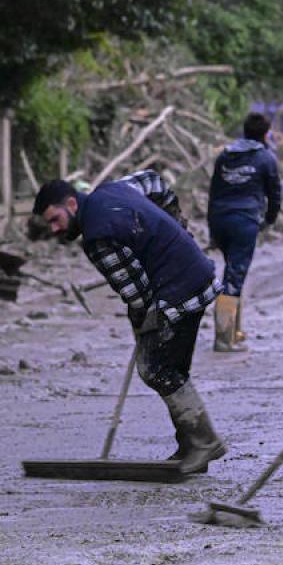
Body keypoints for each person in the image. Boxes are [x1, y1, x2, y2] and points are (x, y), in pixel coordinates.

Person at [32, 178, 226, 474]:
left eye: (56, 220)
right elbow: (155, 181)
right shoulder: (113, 188)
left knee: (156, 369)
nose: (55, 229)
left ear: (72, 204)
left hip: (179, 291)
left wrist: (140, 322)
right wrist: (176, 226)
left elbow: (138, 293)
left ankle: (204, 442)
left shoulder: (97, 237)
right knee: (173, 369)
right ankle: (190, 444)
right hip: (198, 275)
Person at [207, 112, 282, 352]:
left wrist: (212, 229)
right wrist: (269, 220)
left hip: (220, 219)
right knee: (235, 277)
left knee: (232, 273)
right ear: (265, 134)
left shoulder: (225, 155)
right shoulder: (265, 158)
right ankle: (223, 339)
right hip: (244, 221)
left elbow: (213, 193)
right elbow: (275, 194)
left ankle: (234, 332)